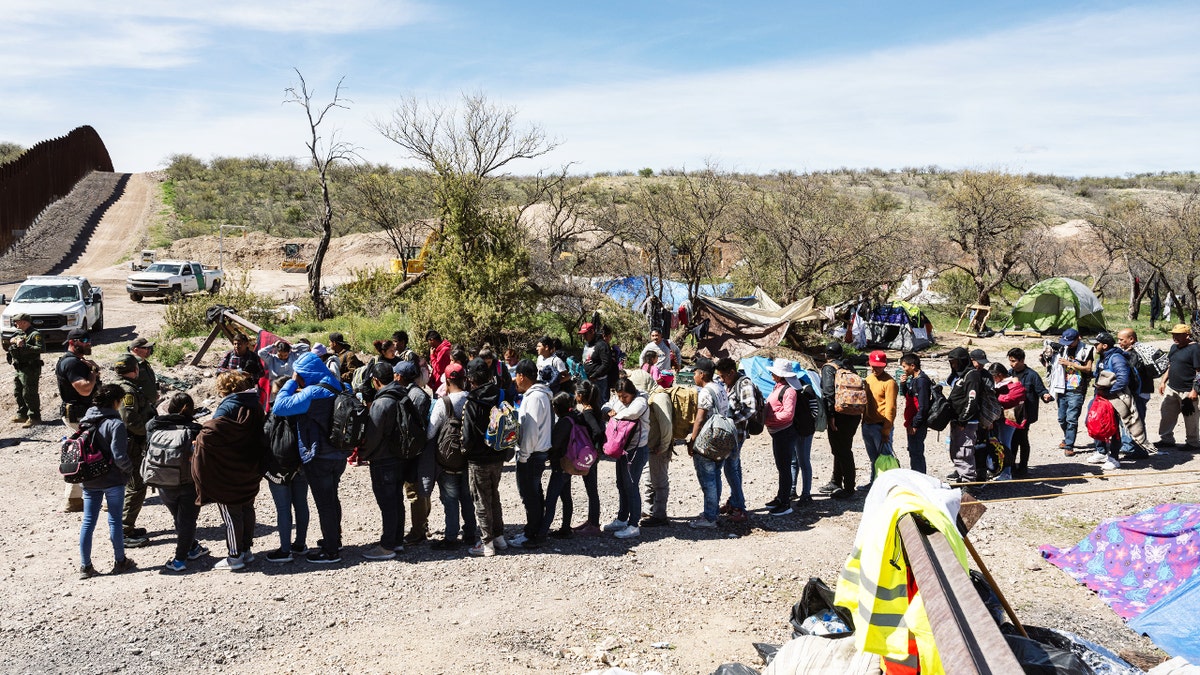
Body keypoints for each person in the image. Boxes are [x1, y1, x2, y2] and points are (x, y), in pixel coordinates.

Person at [272, 352, 346, 564]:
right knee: (332, 498)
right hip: (339, 454)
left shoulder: (313, 393)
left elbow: (280, 406)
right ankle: (335, 539)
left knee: (325, 503)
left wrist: (291, 382)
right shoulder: (339, 386)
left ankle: (331, 551)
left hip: (319, 455)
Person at [194, 370, 267, 571]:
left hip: (229, 467)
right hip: (249, 464)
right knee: (246, 507)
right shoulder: (255, 403)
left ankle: (235, 556)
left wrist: (199, 436)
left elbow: (212, 432)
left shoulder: (228, 405)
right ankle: (246, 551)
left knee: (230, 510)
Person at [77, 384, 137, 579]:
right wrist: (130, 470)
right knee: (114, 521)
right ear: (116, 402)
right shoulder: (115, 424)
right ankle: (120, 561)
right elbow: (119, 456)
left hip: (89, 478)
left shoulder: (86, 420)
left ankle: (85, 567)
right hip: (112, 479)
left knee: (88, 522)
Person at [144, 392, 209, 572]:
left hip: (163, 481)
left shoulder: (153, 426)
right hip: (189, 482)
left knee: (179, 518)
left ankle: (193, 546)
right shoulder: (196, 429)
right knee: (187, 521)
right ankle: (180, 560)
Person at [359, 362, 417, 561]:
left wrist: (364, 453)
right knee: (396, 501)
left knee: (387, 503)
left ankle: (387, 546)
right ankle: (397, 540)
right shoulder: (402, 395)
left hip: (383, 459)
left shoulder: (381, 402)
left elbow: (373, 434)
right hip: (401, 456)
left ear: (375, 381)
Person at [428, 362, 475, 550]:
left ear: (447, 381)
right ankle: (471, 533)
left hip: (447, 462)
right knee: (468, 498)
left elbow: (430, 433)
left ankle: (451, 537)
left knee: (450, 501)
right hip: (469, 459)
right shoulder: (472, 399)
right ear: (464, 379)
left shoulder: (443, 403)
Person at [463, 359, 507, 557]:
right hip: (498, 453)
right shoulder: (500, 394)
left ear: (471, 378)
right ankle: (499, 537)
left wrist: (465, 450)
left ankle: (486, 543)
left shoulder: (472, 400)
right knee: (494, 494)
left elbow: (468, 435)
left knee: (481, 498)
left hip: (478, 458)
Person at [509, 359, 552, 548]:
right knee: (535, 493)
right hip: (537, 452)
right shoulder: (541, 395)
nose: (515, 381)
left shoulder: (534, 398)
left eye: (516, 377)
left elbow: (531, 429)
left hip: (532, 454)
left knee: (530, 495)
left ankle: (532, 534)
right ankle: (535, 530)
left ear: (521, 376)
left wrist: (523, 456)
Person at [1087, 331, 1149, 464]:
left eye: (1096, 344)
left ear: (1104, 346)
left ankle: (1114, 458)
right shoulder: (1103, 357)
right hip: (1101, 397)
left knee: (1113, 427)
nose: (1094, 347)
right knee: (1096, 421)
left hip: (1113, 398)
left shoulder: (1116, 358)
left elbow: (1122, 379)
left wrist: (1110, 393)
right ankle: (1101, 452)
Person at [56, 328, 99, 512]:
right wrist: (94, 373)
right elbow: (85, 389)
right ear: (72, 342)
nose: (89, 342)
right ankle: (98, 497)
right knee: (95, 453)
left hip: (78, 413)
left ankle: (73, 499)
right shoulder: (72, 363)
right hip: (79, 414)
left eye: (89, 338)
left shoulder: (75, 361)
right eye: (84, 339)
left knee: (79, 452)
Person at [603, 376, 650, 538]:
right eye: (619, 396)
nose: (622, 400)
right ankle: (622, 518)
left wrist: (614, 414)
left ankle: (633, 524)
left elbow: (632, 413)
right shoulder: (620, 400)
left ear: (632, 392)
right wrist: (608, 410)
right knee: (621, 484)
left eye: (625, 396)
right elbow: (607, 405)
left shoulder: (640, 401)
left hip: (636, 451)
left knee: (631, 486)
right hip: (623, 449)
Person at [115, 354, 153, 548]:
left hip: (126, 443)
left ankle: (125, 527)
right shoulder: (127, 391)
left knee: (133, 485)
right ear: (134, 370)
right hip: (131, 444)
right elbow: (129, 419)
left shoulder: (119, 386)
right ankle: (123, 531)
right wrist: (149, 432)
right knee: (136, 486)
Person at [687, 358, 726, 528]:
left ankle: (710, 517)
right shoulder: (720, 388)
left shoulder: (705, 392)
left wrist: (692, 440)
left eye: (695, 373)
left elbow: (700, 418)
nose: (694, 376)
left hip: (708, 441)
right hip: (722, 438)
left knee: (708, 478)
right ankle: (713, 511)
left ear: (702, 374)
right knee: (716, 475)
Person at [714, 358, 754, 522]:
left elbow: (750, 409)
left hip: (736, 433)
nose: (721, 380)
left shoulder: (744, 384)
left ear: (732, 372)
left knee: (730, 468)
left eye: (723, 376)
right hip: (729, 433)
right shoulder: (728, 383)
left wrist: (731, 420)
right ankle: (734, 501)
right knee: (734, 467)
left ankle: (739, 506)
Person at [818, 342, 859, 499]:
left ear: (827, 355)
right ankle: (836, 481)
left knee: (843, 451)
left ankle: (849, 488)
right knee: (841, 448)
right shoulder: (848, 365)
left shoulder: (829, 368)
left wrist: (831, 417)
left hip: (839, 414)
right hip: (854, 413)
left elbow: (828, 393)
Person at [536, 392, 578, 540]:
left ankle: (541, 534)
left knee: (551, 499)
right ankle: (565, 528)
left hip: (560, 464)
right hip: (569, 464)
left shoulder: (563, 422)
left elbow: (555, 445)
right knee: (566, 497)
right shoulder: (574, 418)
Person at [1044, 328, 1094, 455]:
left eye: (1071, 342)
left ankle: (1069, 445)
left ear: (1079, 338)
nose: (1069, 345)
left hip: (1077, 389)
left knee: (1072, 419)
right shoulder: (1062, 348)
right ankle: (1067, 438)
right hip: (1061, 387)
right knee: (1062, 418)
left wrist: (1069, 363)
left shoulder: (1087, 350)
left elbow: (1088, 369)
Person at [764, 361, 800, 516]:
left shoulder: (789, 391)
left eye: (774, 373)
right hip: (779, 433)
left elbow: (788, 414)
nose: (772, 375)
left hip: (784, 433)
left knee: (784, 468)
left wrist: (770, 417)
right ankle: (781, 498)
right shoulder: (779, 387)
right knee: (782, 467)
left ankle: (785, 503)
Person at [1007, 348, 1050, 477]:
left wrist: (1045, 396)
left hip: (1026, 414)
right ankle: (1012, 465)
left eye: (1014, 361)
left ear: (1022, 360)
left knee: (1022, 439)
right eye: (1010, 361)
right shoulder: (1009, 373)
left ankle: (1023, 466)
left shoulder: (1032, 375)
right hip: (1012, 414)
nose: (1011, 364)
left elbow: (1041, 390)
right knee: (1012, 439)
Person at [1156, 324, 1200, 451]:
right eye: (1173, 334)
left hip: (1187, 391)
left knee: (1190, 417)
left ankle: (1192, 442)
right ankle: (1166, 439)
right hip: (1172, 388)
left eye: (1178, 335)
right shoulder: (1174, 347)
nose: (1175, 337)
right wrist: (1163, 382)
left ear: (1187, 335)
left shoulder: (1195, 349)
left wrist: (1195, 390)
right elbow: (1171, 366)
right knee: (1167, 414)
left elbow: (1199, 372)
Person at [946, 347, 985, 482]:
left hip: (967, 422)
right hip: (957, 420)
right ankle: (961, 475)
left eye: (955, 362)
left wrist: (963, 420)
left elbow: (971, 400)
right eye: (951, 363)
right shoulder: (959, 375)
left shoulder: (972, 375)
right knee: (956, 450)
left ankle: (968, 483)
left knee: (964, 452)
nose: (953, 365)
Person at [572, 380, 606, 536]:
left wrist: (590, 445)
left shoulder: (587, 412)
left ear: (580, 395)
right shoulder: (594, 409)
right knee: (591, 489)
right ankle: (591, 520)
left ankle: (594, 524)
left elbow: (598, 432)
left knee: (592, 490)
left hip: (590, 456)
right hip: (594, 455)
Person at [1117, 328, 1157, 456]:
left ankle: (1139, 449)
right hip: (1139, 392)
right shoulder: (1134, 351)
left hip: (1138, 393)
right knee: (1128, 420)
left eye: (1121, 340)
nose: (1119, 342)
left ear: (1131, 339)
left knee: (1136, 420)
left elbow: (1132, 372)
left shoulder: (1135, 353)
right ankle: (1129, 446)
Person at [640, 374, 674, 527]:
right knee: (649, 479)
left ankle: (660, 515)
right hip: (651, 446)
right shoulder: (651, 396)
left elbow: (666, 425)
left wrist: (664, 446)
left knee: (659, 482)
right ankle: (649, 510)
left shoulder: (659, 397)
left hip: (658, 448)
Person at [861, 350, 898, 485]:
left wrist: (886, 430)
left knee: (885, 457)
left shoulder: (889, 383)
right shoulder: (868, 379)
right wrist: (863, 421)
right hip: (868, 424)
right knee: (873, 458)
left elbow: (891, 408)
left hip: (881, 426)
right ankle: (874, 482)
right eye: (874, 366)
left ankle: (887, 484)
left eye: (879, 366)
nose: (876, 368)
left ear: (885, 365)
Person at [988, 363, 1026, 481]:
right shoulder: (1001, 383)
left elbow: (1009, 398)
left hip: (1008, 419)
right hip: (1000, 418)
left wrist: (995, 397)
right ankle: (999, 468)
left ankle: (1007, 472)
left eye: (993, 376)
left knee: (1005, 444)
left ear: (999, 375)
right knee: (998, 444)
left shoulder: (1013, 384)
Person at [6, 312, 43, 427]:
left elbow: (41, 348)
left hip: (30, 368)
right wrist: (15, 340)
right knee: (18, 391)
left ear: (24, 322)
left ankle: (34, 417)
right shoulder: (20, 333)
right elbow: (11, 339)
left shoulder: (35, 334)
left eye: (17, 321)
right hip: (19, 368)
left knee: (29, 392)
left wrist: (25, 346)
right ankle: (22, 414)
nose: (15, 323)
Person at [898, 353, 931, 474]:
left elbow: (923, 406)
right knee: (913, 451)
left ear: (912, 366)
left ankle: (920, 478)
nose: (903, 369)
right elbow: (910, 396)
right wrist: (903, 384)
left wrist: (915, 425)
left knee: (916, 452)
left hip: (917, 423)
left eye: (904, 366)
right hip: (912, 421)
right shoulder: (914, 379)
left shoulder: (921, 381)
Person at [580, 322, 613, 403]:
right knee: (590, 402)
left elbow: (607, 363)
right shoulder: (587, 344)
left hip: (599, 381)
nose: (584, 337)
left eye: (585, 334)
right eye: (583, 334)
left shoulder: (602, 345)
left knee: (600, 403)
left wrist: (595, 375)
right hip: (587, 379)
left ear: (592, 332)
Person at [128, 337, 159, 413]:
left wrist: (154, 393)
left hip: (150, 405)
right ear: (136, 350)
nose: (149, 350)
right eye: (146, 348)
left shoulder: (144, 362)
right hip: (140, 408)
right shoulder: (131, 364)